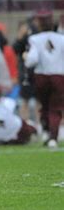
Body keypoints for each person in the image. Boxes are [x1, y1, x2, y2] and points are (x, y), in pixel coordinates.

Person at [24, 11, 64, 148]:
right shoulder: (61, 38)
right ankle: (53, 136)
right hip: (58, 76)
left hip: (41, 76)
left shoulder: (35, 39)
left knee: (45, 107)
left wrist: (26, 58)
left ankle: (47, 132)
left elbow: (32, 60)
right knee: (55, 108)